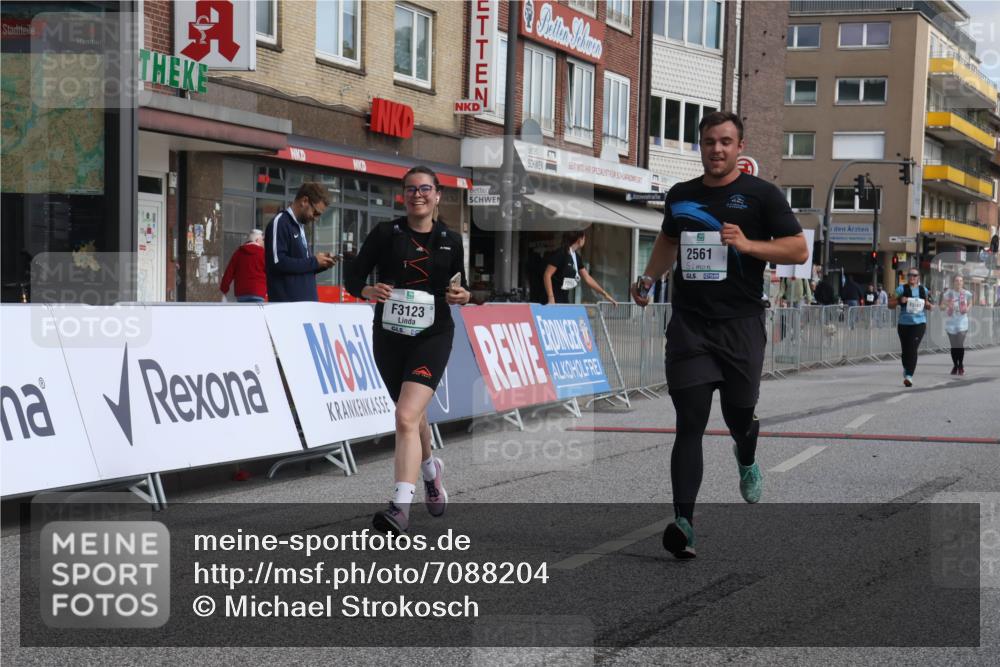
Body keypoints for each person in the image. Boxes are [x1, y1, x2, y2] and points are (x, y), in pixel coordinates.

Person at [630, 111, 807, 559]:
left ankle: (745, 453)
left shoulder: (761, 195)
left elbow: (797, 248)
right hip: (690, 325)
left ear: (739, 146)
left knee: (737, 416)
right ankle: (684, 523)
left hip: (741, 325)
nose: (717, 149)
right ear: (701, 146)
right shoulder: (682, 195)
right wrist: (649, 279)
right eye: (709, 142)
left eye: (726, 142)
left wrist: (749, 245)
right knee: (689, 423)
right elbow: (669, 241)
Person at [344, 166, 470, 535]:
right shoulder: (386, 234)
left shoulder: (451, 239)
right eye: (411, 189)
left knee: (404, 416)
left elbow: (459, 285)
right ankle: (431, 471)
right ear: (403, 195)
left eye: (425, 189)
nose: (418, 195)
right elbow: (354, 277)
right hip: (390, 336)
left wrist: (463, 295)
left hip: (433, 336)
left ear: (437, 195)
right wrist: (367, 291)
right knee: (413, 417)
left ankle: (399, 507)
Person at [263, 182, 338, 302]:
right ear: (304, 201)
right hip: (288, 308)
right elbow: (278, 263)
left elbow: (301, 267)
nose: (316, 218)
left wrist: (321, 264)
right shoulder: (280, 222)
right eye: (316, 212)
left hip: (305, 306)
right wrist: (314, 261)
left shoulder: (301, 227)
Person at [543, 230, 616, 304]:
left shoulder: (576, 257)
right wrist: (551, 297)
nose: (585, 240)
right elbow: (547, 275)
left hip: (564, 298)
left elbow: (588, 278)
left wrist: (605, 294)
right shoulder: (561, 253)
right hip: (552, 298)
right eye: (584, 238)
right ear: (580, 239)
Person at [889, 269, 933, 386]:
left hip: (919, 323)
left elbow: (930, 306)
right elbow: (890, 304)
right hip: (904, 324)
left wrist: (928, 305)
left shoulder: (924, 290)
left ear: (919, 277)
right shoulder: (901, 289)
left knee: (913, 349)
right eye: (910, 275)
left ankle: (909, 375)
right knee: (905, 350)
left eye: (914, 275)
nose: (912, 277)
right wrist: (899, 300)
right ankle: (906, 368)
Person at [219, 229, 267, 302]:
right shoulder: (263, 253)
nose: (263, 242)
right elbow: (270, 272)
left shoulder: (238, 253)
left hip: (241, 293)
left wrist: (224, 289)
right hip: (258, 292)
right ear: (257, 240)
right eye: (262, 240)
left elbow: (229, 273)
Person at [942, 274, 972, 375]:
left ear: (963, 282)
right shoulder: (948, 293)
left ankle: (961, 365)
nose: (958, 282)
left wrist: (967, 308)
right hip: (951, 323)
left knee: (959, 344)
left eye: (960, 280)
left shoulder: (966, 293)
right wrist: (947, 304)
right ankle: (955, 365)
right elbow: (942, 304)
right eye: (956, 280)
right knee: (954, 346)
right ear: (953, 282)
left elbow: (971, 302)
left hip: (962, 322)